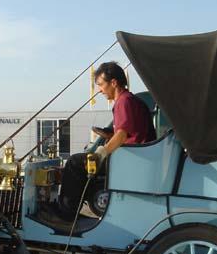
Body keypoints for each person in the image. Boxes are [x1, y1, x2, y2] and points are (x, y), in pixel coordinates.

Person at [55, 61, 156, 220]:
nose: (100, 90)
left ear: (114, 83)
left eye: (101, 85)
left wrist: (101, 153)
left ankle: (66, 214)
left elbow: (122, 135)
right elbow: (130, 133)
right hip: (138, 157)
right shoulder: (131, 100)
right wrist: (108, 135)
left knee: (75, 163)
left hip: (131, 159)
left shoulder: (124, 101)